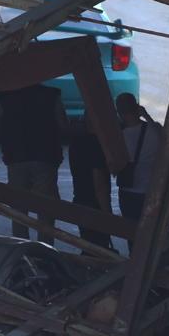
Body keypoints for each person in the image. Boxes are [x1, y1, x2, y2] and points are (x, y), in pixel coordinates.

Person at [0, 83, 65, 244]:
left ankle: (21, 247)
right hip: (45, 156)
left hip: (16, 157)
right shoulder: (51, 95)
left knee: (19, 208)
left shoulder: (5, 96)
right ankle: (45, 247)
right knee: (46, 207)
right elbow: (63, 124)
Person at [63, 96, 112, 247]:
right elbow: (99, 184)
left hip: (80, 199)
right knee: (100, 247)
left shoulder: (76, 144)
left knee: (89, 246)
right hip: (95, 205)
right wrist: (107, 212)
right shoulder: (96, 146)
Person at [117, 92, 167, 234]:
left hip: (129, 190)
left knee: (131, 231)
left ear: (119, 112)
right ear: (137, 107)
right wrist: (146, 116)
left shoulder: (119, 135)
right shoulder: (154, 130)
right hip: (151, 188)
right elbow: (167, 140)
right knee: (150, 232)